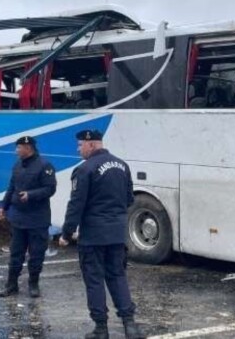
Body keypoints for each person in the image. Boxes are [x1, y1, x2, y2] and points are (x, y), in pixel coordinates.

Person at [59, 129, 145, 339]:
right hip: (117, 233)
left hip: (93, 236)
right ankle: (130, 326)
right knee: (117, 276)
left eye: (80, 145)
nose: (78, 149)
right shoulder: (122, 165)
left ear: (91, 144)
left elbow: (76, 205)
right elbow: (129, 199)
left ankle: (101, 329)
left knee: (94, 280)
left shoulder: (85, 169)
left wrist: (66, 233)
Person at [0, 135, 57, 298]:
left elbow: (50, 189)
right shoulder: (17, 165)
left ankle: (33, 284)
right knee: (16, 253)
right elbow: (11, 188)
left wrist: (31, 195)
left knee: (36, 254)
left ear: (28, 148)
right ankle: (11, 285)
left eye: (19, 148)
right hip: (18, 219)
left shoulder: (45, 166)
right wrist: (4, 206)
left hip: (37, 219)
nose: (16, 151)